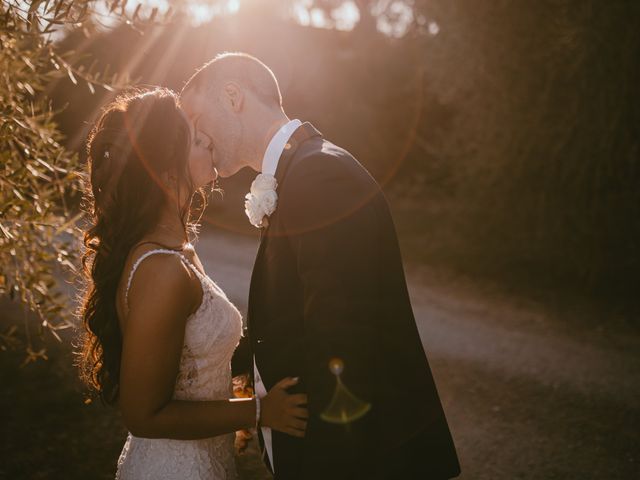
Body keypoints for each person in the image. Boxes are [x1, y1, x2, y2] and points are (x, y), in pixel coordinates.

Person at [180, 53, 461, 479]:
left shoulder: (320, 176)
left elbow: (343, 345)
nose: (196, 136)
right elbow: (293, 320)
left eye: (196, 118)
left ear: (233, 96)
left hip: (361, 460)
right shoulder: (299, 172)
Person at [77, 87, 308, 480]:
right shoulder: (161, 270)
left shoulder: (179, 250)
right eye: (199, 140)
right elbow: (143, 415)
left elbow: (198, 357)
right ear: (167, 167)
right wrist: (258, 412)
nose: (211, 142)